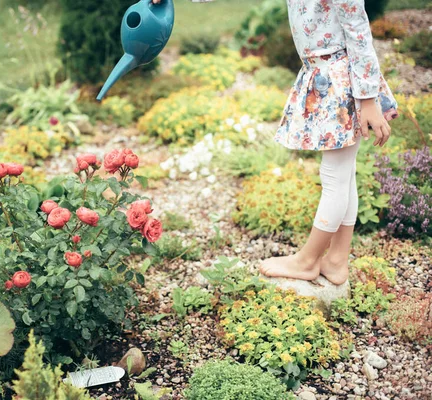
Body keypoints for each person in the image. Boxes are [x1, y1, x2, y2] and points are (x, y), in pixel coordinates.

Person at [152, 0, 398, 284]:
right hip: (327, 73)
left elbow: (357, 29)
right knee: (343, 174)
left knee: (335, 176)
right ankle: (336, 260)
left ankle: (308, 261)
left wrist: (367, 99)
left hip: (342, 78)